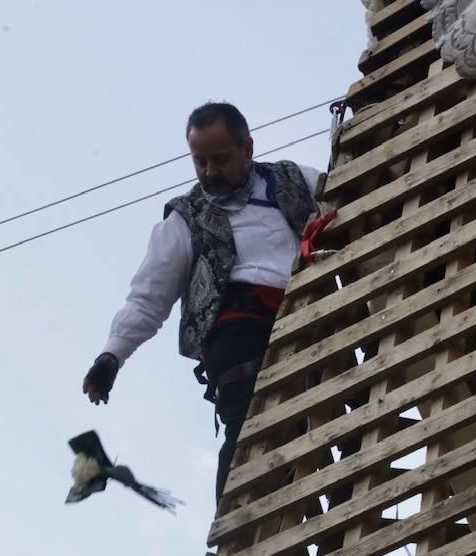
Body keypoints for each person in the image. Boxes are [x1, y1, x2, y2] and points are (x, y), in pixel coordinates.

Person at [82, 101, 323, 503]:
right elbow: (148, 296)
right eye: (200, 161)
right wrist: (111, 357)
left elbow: (350, 197)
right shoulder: (185, 218)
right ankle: (235, 528)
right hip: (239, 328)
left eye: (221, 159)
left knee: (327, 418)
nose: (210, 171)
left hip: (311, 312)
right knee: (250, 429)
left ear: (248, 149)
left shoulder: (293, 180)